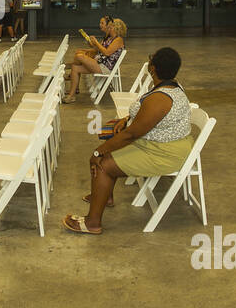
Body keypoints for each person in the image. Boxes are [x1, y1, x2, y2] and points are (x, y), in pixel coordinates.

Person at [67, 47, 190, 235]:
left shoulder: (160, 98)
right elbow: (146, 119)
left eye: (151, 59)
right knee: (110, 139)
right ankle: (104, 195)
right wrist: (126, 119)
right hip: (161, 144)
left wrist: (97, 152)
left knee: (102, 163)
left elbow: (131, 135)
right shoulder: (171, 86)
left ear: (153, 68)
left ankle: (92, 222)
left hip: (163, 153)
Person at [65, 17, 125, 101]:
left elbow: (106, 52)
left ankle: (68, 71)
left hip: (105, 67)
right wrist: (93, 43)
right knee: (75, 68)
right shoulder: (109, 38)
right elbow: (98, 50)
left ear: (115, 28)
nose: (109, 28)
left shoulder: (118, 40)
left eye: (111, 27)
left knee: (79, 56)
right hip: (99, 62)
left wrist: (96, 42)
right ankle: (71, 95)